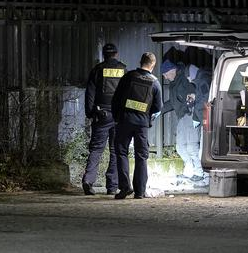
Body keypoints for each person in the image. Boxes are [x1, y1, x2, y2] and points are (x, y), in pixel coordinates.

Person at [111, 52, 162, 199]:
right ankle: (139, 192)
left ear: (140, 61)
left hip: (124, 121)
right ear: (153, 65)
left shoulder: (128, 77)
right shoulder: (155, 82)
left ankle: (125, 187)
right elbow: (158, 107)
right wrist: (146, 116)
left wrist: (117, 117)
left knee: (121, 153)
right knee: (141, 156)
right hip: (142, 124)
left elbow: (116, 98)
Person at [82, 43, 127, 195]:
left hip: (101, 115)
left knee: (96, 149)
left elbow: (90, 93)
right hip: (118, 115)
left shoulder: (97, 70)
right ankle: (112, 186)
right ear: (116, 54)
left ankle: (88, 181)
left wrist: (90, 113)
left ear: (104, 55)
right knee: (115, 151)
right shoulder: (123, 70)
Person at [160, 59, 203, 181]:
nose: (165, 77)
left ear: (172, 70)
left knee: (192, 146)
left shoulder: (184, 79)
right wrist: (159, 111)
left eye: (166, 74)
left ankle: (199, 173)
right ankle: (189, 171)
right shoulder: (174, 83)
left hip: (190, 115)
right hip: (182, 117)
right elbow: (173, 103)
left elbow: (193, 94)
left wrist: (188, 108)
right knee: (180, 147)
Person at [185, 64, 212, 183]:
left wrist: (195, 104)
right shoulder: (201, 80)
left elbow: (205, 100)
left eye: (188, 77)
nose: (188, 79)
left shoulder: (203, 81)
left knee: (203, 148)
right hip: (203, 118)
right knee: (202, 147)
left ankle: (205, 177)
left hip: (205, 119)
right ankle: (204, 175)